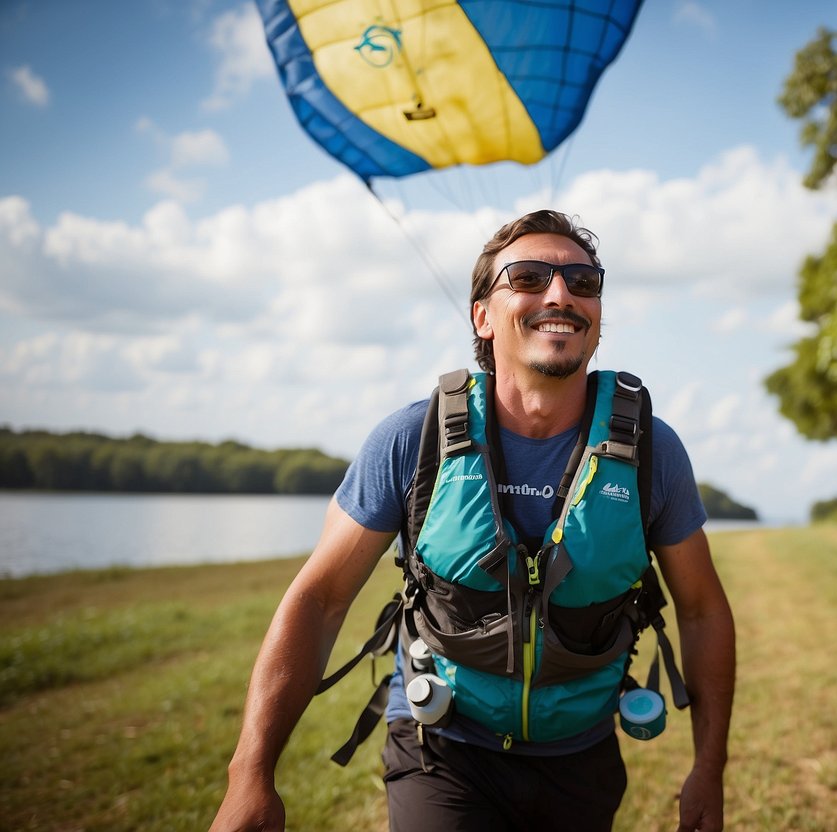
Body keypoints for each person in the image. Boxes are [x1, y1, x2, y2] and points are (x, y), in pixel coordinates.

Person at [210, 210, 735, 832]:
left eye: (582, 281)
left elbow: (701, 610)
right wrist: (249, 775)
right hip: (442, 746)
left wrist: (709, 767)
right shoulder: (413, 439)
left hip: (582, 754)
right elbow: (320, 599)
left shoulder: (652, 451)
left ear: (597, 321)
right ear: (483, 316)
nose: (560, 294)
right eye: (530, 277)